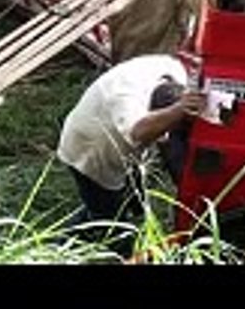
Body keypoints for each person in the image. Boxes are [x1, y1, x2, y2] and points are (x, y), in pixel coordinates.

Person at [56, 53, 204, 257]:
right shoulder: (126, 99)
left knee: (131, 200)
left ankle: (117, 215)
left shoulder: (172, 70)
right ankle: (56, 249)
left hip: (123, 143)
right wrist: (177, 111)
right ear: (151, 112)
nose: (164, 138)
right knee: (109, 219)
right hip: (90, 148)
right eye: (162, 130)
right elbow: (139, 132)